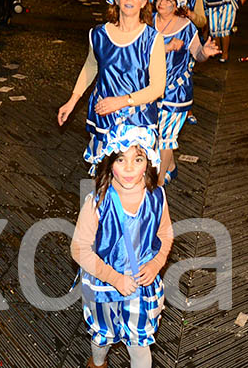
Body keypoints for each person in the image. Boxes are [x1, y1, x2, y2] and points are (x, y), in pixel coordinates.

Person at [71, 126, 173, 368]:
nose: (128, 168)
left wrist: (157, 263)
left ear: (148, 162)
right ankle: (98, 363)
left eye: (137, 159)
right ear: (109, 162)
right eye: (120, 159)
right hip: (104, 284)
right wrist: (114, 278)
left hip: (141, 285)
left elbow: (166, 233)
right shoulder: (98, 201)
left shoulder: (157, 196)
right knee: (102, 338)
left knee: (139, 344)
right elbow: (79, 249)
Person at [58, 0, 166, 172]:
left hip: (137, 118)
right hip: (103, 114)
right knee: (102, 173)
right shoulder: (98, 34)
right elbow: (91, 66)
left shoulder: (152, 39)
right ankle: (97, 203)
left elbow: (158, 88)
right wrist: (72, 101)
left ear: (144, 2)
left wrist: (121, 101)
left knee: (130, 177)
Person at [153, 0, 219, 183]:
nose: (162, 2)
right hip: (152, 87)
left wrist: (204, 53)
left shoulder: (186, 27)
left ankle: (159, 181)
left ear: (177, 4)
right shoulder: (148, 21)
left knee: (165, 138)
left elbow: (197, 54)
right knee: (155, 135)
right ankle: (171, 166)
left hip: (176, 90)